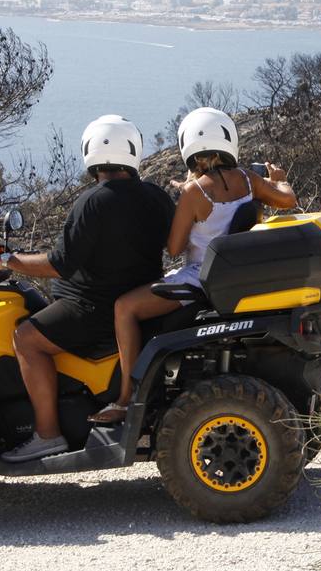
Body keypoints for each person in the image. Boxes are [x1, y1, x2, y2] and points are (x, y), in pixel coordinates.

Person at [0, 114, 173, 462]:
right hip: (135, 296)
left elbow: (59, 264)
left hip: (92, 307)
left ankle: (47, 433)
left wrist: (8, 259)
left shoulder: (93, 201)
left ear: (90, 152)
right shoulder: (155, 196)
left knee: (25, 337)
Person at [89, 107, 296, 424]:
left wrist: (185, 202)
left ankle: (126, 398)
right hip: (230, 277)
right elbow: (287, 199)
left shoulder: (194, 192)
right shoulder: (248, 180)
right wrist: (277, 181)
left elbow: (174, 248)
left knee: (124, 308)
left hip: (197, 279)